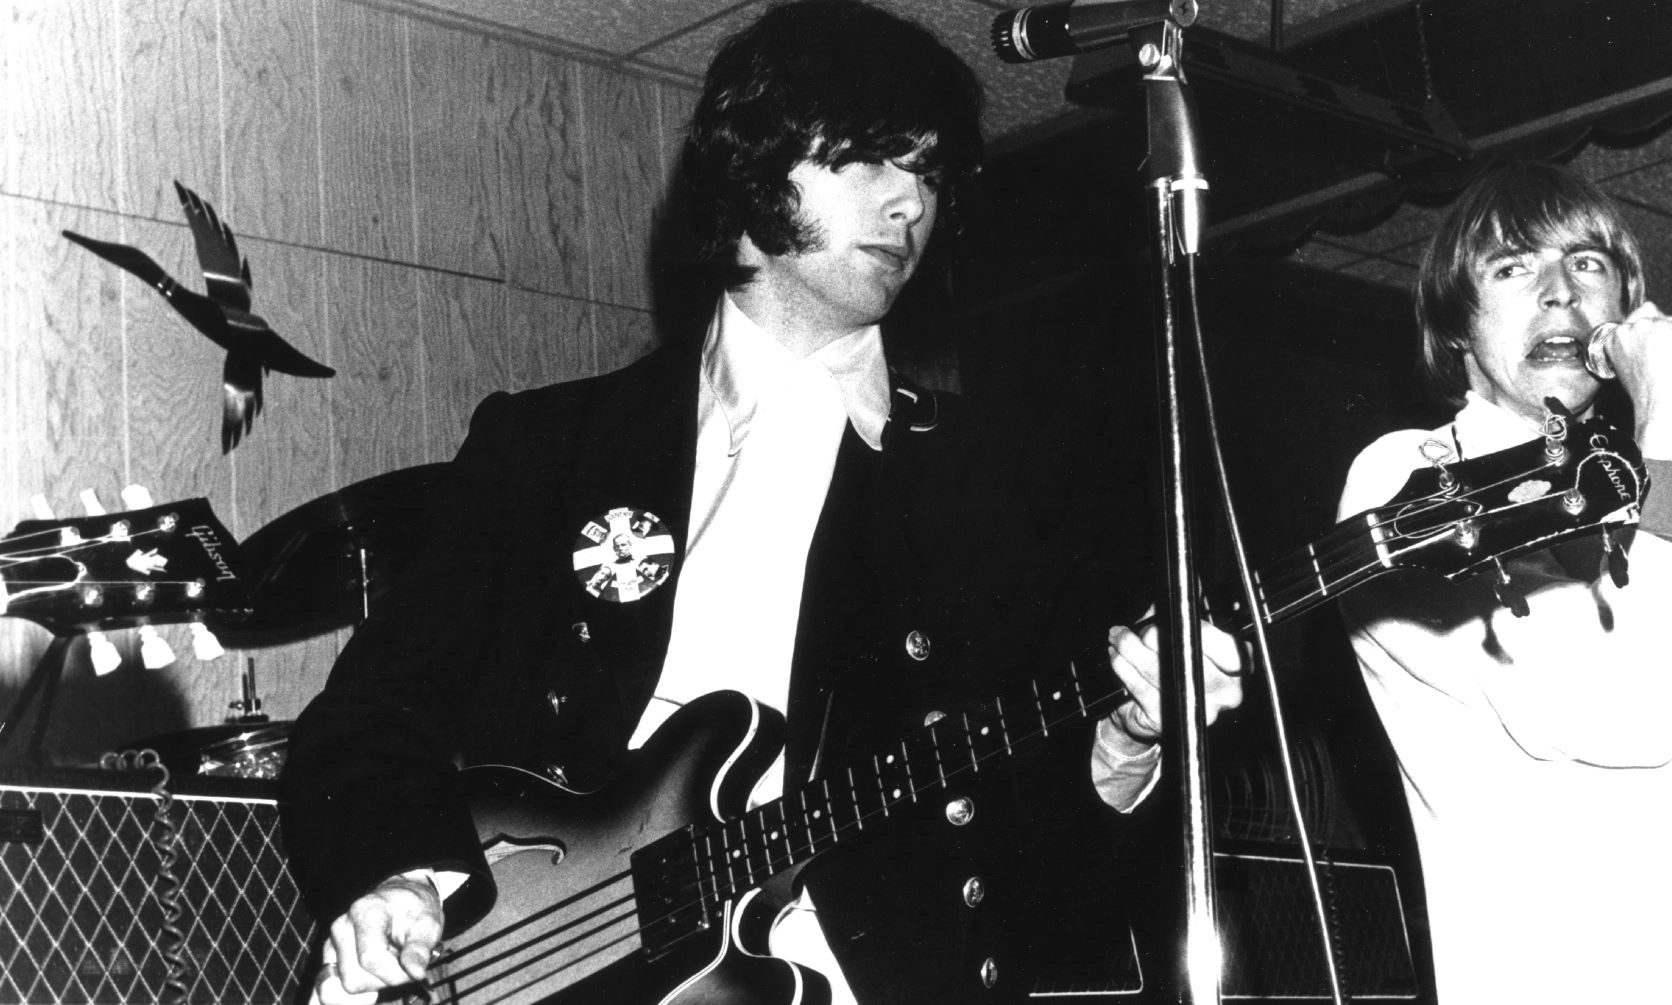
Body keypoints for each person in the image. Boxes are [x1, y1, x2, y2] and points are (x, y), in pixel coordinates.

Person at [278, 3, 1243, 1003]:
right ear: (751, 163)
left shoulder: (990, 486)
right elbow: (369, 715)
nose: (909, 205)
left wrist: (1125, 746)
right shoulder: (551, 447)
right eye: (871, 160)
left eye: (929, 174)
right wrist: (402, 878)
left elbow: (1045, 894)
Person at [1337, 161, 1672, 1004]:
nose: (1559, 292)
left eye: (1586, 263)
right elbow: (1614, 708)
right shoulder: (1409, 478)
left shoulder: (1631, 499)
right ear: (1455, 325)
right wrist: (1665, 421)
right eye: (1512, 267)